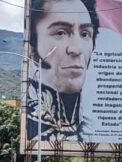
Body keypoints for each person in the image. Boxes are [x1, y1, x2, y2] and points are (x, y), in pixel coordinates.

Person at [25, 0, 100, 142]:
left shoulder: (93, 131)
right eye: (60, 32)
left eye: (85, 34)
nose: (76, 49)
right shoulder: (31, 129)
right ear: (33, 49)